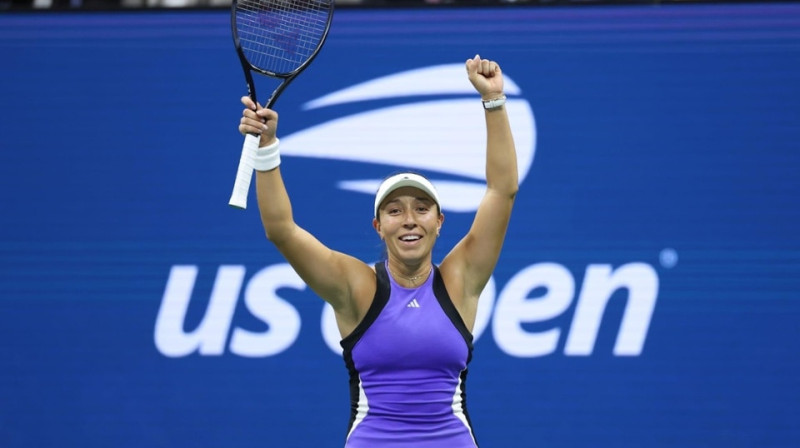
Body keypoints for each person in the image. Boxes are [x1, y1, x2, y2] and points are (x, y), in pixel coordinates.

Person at [238, 54, 518, 448]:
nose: (408, 220)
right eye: (394, 210)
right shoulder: (355, 287)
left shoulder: (461, 278)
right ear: (378, 226)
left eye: (422, 209)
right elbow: (281, 230)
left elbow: (501, 191)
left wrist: (494, 101)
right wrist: (266, 148)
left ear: (439, 223)